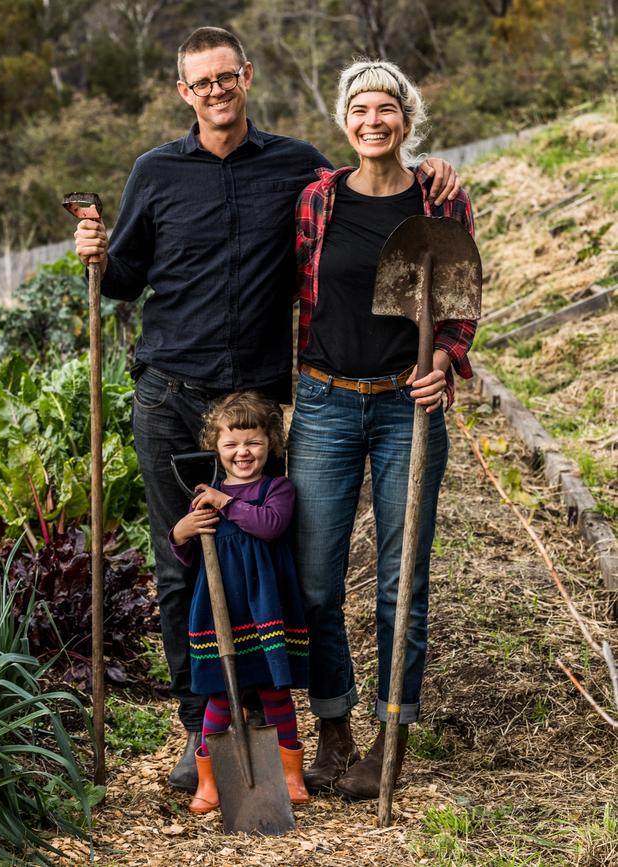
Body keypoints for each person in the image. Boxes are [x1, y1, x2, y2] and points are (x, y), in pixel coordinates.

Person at [73, 25, 461, 794]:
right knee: (181, 557)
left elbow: (376, 188)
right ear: (185, 92)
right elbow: (123, 278)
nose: (216, 91)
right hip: (171, 396)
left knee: (269, 562)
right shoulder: (155, 171)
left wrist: (433, 173)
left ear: (247, 77)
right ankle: (202, 730)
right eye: (201, 82)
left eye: (227, 77)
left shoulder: (298, 170)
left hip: (256, 406)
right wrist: (97, 253)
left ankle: (283, 718)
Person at [288, 59, 478, 801]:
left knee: (404, 582)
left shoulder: (438, 199)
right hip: (326, 400)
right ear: (344, 121)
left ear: (406, 117)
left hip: (408, 406)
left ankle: (388, 736)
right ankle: (332, 725)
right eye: (360, 108)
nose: (374, 120)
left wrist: (443, 358)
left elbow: (460, 303)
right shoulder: (315, 200)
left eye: (387, 108)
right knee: (314, 581)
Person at [169, 391, 309, 812]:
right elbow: (189, 554)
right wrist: (181, 530)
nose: (242, 452)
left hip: (265, 608)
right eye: (231, 444)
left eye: (252, 442)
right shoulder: (205, 497)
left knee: (273, 691)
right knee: (218, 696)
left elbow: (269, 526)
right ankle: (210, 780)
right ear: (216, 447)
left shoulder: (277, 489)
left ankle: (290, 774)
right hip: (221, 611)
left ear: (270, 444)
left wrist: (225, 501)